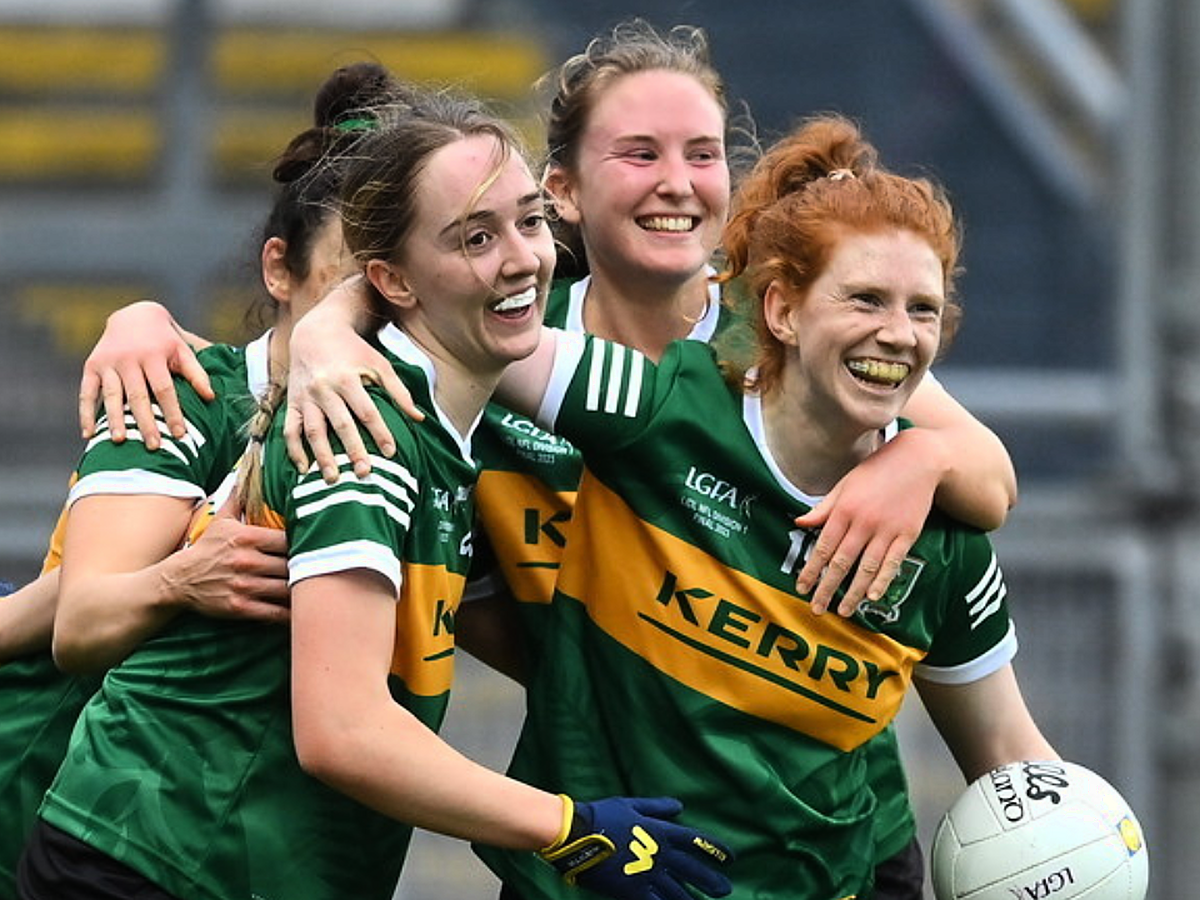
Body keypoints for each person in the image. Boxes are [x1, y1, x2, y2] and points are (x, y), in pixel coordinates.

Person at [72, 20, 1017, 896]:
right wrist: (291, 332)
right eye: (637, 153)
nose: (677, 182)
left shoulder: (793, 343)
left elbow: (984, 472)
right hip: (593, 831)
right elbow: (394, 292)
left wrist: (918, 462)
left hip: (817, 836)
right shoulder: (499, 355)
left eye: (702, 153)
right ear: (563, 191)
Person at [23, 82, 732, 900]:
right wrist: (569, 828)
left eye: (531, 222)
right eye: (474, 238)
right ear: (390, 281)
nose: (523, 259)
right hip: (164, 858)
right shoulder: (360, 433)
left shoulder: (441, 418)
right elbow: (343, 732)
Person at [473, 112, 1058, 900]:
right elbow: (453, 326)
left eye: (922, 310)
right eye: (865, 300)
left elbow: (1010, 759)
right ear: (780, 311)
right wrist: (331, 334)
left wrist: (1077, 854)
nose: (896, 334)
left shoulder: (946, 541)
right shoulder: (658, 407)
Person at [13, 63, 389, 900]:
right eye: (352, 272)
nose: (375, 304)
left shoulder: (412, 437)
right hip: (50, 802)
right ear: (280, 270)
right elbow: (80, 623)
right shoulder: (179, 391)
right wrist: (181, 578)